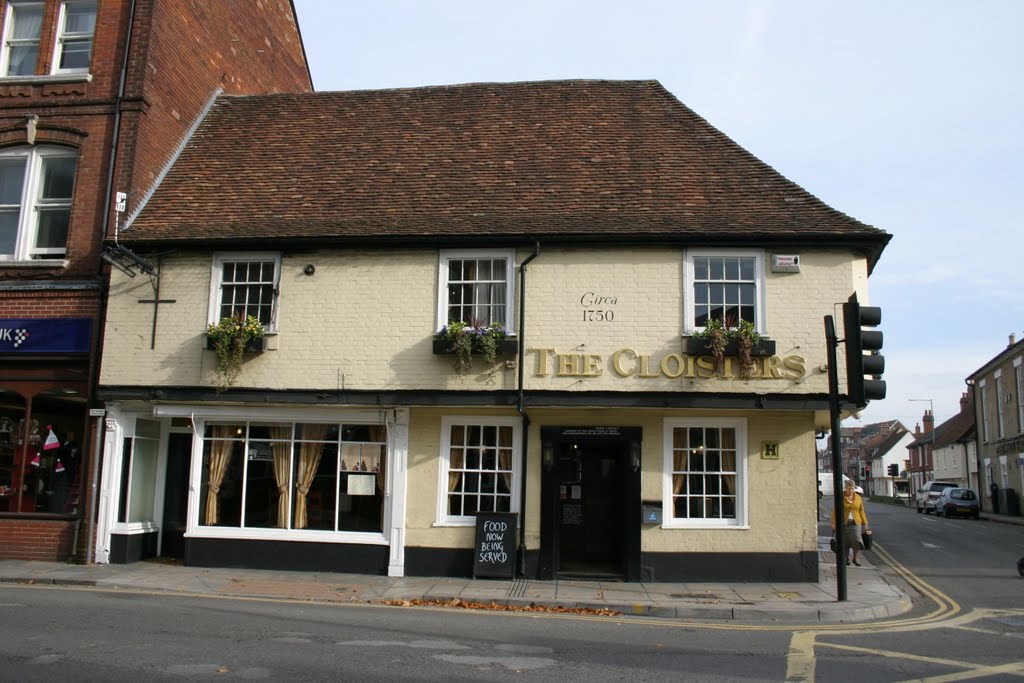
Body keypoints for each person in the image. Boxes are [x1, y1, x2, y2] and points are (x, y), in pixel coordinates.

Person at [831, 480, 870, 566]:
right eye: (849, 489)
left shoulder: (858, 498)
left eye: (852, 489)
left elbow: (861, 510)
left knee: (857, 541)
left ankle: (855, 558)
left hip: (855, 523)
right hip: (843, 523)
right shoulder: (841, 496)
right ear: (845, 488)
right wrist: (833, 523)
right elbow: (835, 510)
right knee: (845, 542)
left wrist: (865, 522)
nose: (850, 491)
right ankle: (846, 559)